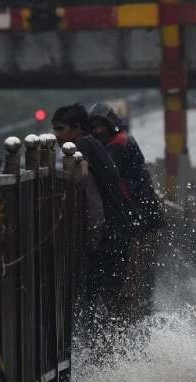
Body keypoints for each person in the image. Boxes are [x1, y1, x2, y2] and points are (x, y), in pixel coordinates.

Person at [52, 104, 133, 335]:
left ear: (76, 128)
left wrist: (92, 238)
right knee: (105, 305)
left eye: (61, 128)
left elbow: (92, 198)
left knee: (91, 305)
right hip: (116, 236)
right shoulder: (94, 144)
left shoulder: (80, 149)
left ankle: (95, 358)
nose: (57, 135)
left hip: (105, 241)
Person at [88, 102, 165, 323]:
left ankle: (131, 311)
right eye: (94, 126)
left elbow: (102, 173)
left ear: (110, 124)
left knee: (132, 269)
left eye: (100, 125)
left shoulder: (118, 144)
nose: (97, 130)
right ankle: (137, 308)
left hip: (138, 217)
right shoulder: (120, 139)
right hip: (141, 215)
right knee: (138, 270)